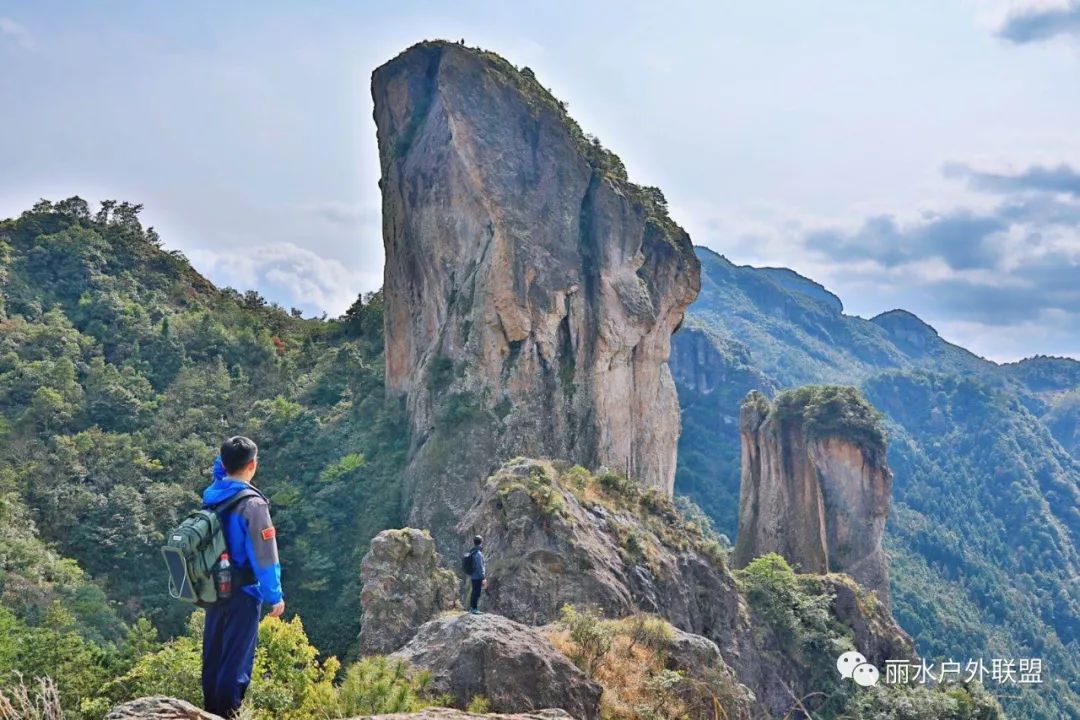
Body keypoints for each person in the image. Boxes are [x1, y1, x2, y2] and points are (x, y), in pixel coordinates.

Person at [200, 436, 284, 718]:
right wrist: (275, 596)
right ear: (253, 464)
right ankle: (228, 714)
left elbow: (221, 470)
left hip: (213, 589)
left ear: (222, 465)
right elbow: (265, 557)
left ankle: (209, 711)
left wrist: (225, 462)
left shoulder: (212, 493)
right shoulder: (253, 506)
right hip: (243, 593)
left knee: (213, 656)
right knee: (235, 663)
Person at [467, 535, 487, 614]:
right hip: (478, 576)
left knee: (474, 592)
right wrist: (483, 578)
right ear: (481, 542)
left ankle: (472, 608)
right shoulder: (478, 553)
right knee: (476, 593)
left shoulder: (473, 551)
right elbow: (480, 566)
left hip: (473, 576)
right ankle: (474, 609)